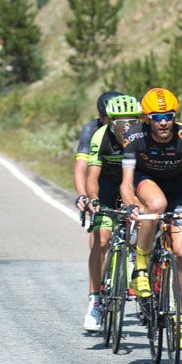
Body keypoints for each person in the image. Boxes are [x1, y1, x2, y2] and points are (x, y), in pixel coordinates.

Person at [118, 88, 182, 351]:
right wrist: (130, 206)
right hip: (144, 182)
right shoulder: (134, 135)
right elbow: (126, 183)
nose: (163, 122)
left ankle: (179, 318)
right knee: (156, 204)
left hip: (177, 189)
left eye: (169, 116)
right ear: (147, 118)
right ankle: (140, 265)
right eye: (157, 116)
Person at [75, 90, 122, 332]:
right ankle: (94, 299)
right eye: (109, 118)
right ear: (101, 116)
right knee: (100, 242)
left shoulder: (132, 130)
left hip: (128, 184)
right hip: (102, 185)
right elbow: (81, 168)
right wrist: (84, 196)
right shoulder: (92, 131)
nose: (116, 124)